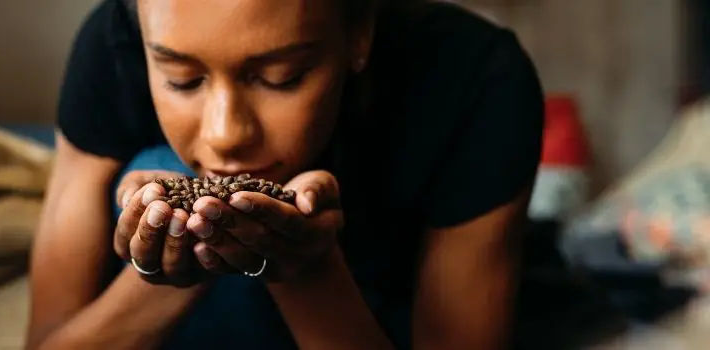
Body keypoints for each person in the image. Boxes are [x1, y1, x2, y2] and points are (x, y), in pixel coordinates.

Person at [27, 0, 545, 349]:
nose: (226, 134)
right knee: (155, 171)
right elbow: (47, 337)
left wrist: (307, 271)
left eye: (281, 78)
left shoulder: (477, 81)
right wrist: (177, 267)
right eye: (181, 81)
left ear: (358, 34)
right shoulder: (112, 44)